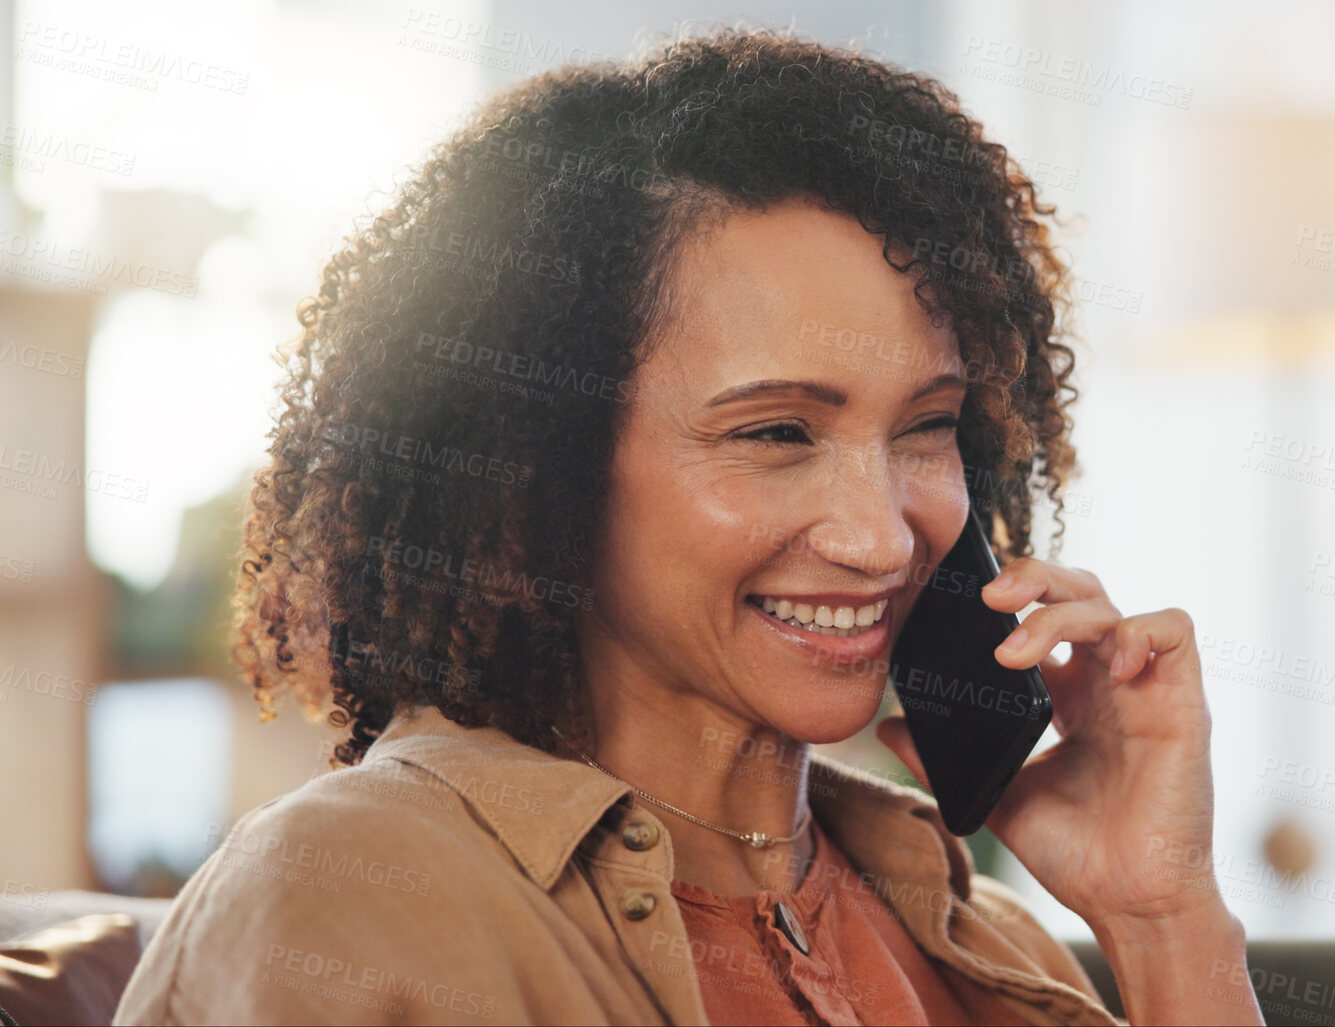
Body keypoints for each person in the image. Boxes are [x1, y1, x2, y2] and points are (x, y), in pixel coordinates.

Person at [116, 27, 1262, 1026]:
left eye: (927, 428)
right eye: (774, 434)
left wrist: (1164, 919)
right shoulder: (348, 894)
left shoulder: (977, 933)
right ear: (539, 466)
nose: (879, 538)